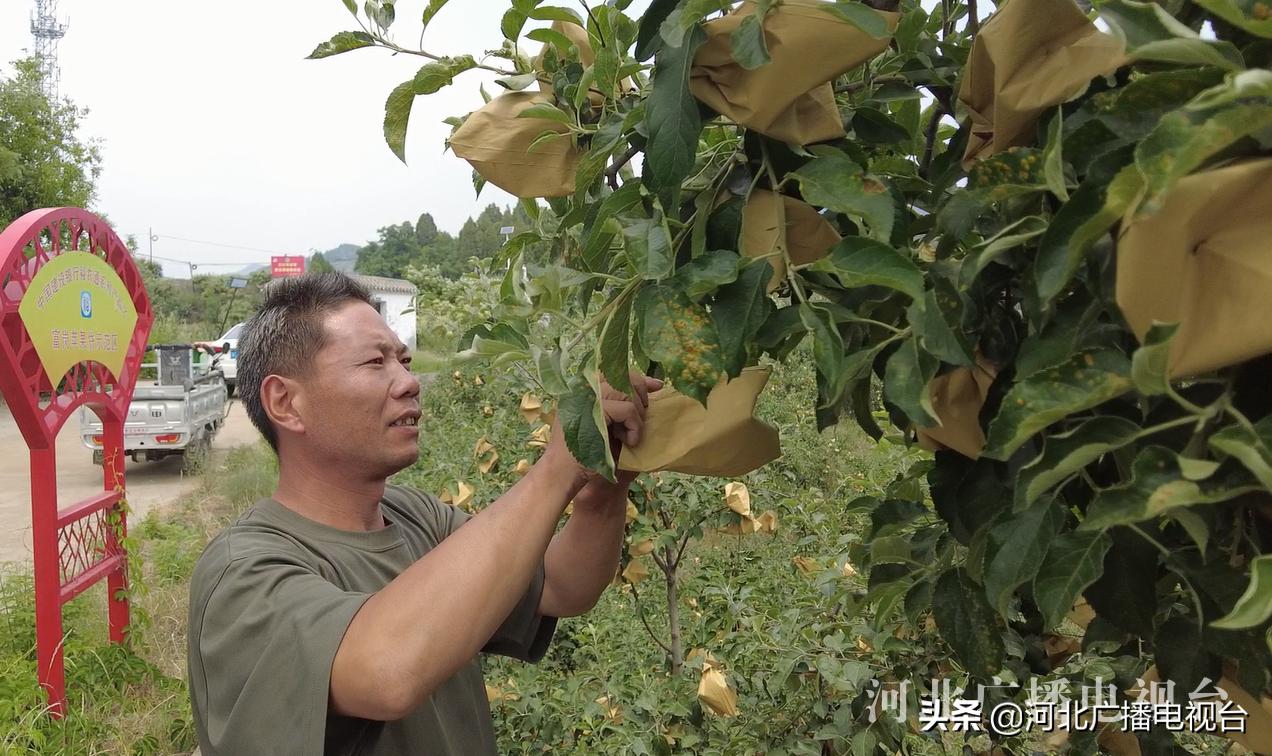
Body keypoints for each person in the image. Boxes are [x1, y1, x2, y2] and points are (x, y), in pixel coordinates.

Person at [187, 272, 661, 755]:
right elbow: (387, 672)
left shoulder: (416, 517)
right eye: (376, 362)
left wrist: (604, 483)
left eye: (404, 360)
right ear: (285, 402)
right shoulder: (242, 572)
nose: (410, 382)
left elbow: (562, 586)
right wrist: (556, 469)